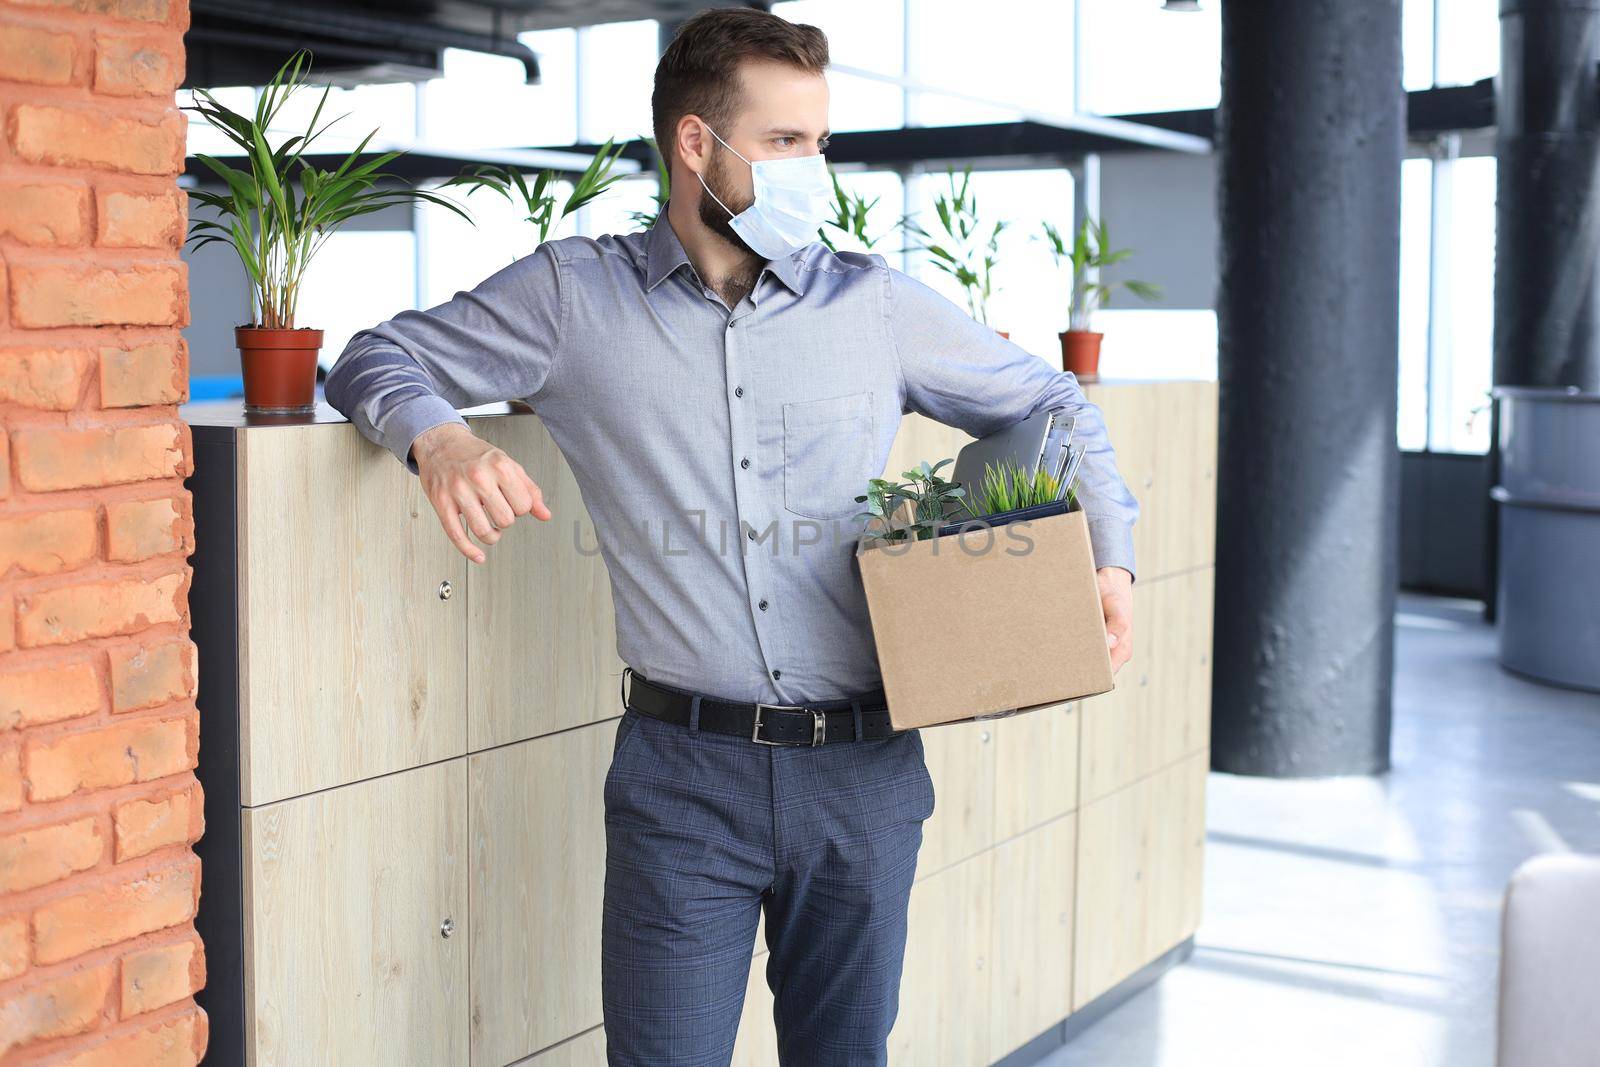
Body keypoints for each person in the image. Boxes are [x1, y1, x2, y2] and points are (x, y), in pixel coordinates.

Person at [323, 8, 1138, 1064]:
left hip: (866, 770)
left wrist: (1106, 557)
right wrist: (438, 441)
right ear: (695, 145)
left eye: (821, 142)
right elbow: (373, 355)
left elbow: (1056, 404)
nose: (816, 169)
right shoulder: (575, 299)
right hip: (681, 780)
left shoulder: (874, 305)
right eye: (786, 143)